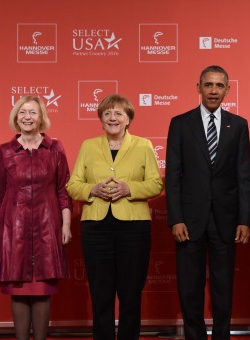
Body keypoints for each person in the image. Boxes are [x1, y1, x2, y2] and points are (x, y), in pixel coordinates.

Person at [165, 65, 250, 340]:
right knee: (189, 288)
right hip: (189, 220)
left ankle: (222, 336)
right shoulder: (180, 123)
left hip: (226, 220)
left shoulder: (238, 125)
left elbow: (244, 176)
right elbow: (174, 176)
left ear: (228, 89)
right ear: (199, 87)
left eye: (219, 86)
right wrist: (176, 218)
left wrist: (244, 219)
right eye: (209, 85)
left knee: (223, 286)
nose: (214, 90)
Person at [66, 94, 163, 340]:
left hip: (134, 229)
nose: (113, 118)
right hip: (96, 228)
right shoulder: (88, 146)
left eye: (119, 113)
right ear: (101, 119)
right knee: (101, 294)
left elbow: (155, 184)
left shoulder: (143, 145)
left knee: (131, 294)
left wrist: (129, 188)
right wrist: (92, 189)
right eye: (107, 113)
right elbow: (73, 185)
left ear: (128, 119)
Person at [0, 95, 72, 340]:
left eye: (33, 112)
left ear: (41, 117)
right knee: (19, 290)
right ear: (16, 117)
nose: (27, 117)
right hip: (13, 228)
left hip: (48, 227)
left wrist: (66, 225)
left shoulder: (55, 148)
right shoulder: (5, 150)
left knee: (43, 289)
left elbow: (63, 190)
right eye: (23, 112)